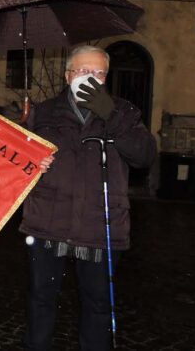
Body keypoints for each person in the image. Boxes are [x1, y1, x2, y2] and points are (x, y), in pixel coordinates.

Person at [21, 45, 156, 351]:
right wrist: (32, 164)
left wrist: (111, 115)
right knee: (40, 301)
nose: (90, 78)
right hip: (48, 222)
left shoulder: (125, 112)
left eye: (98, 73)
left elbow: (144, 156)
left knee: (97, 305)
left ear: (106, 79)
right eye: (83, 71)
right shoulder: (42, 113)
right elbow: (18, 161)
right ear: (69, 75)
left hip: (101, 225)